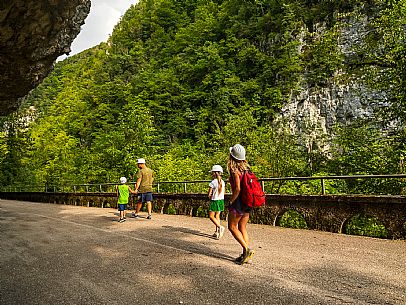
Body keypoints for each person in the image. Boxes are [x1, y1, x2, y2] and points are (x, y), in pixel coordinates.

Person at [227, 144, 255, 264]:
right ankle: (245, 254)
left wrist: (231, 201)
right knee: (242, 227)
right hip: (248, 200)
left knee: (232, 227)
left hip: (238, 202)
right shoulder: (247, 169)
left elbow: (237, 188)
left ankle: (247, 250)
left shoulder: (234, 170)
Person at [208, 165, 226, 239]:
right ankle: (217, 232)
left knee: (211, 216)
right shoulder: (223, 182)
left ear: (215, 173)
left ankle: (220, 227)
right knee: (217, 216)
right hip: (221, 200)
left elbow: (209, 194)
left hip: (214, 200)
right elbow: (223, 193)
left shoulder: (213, 182)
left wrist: (210, 197)